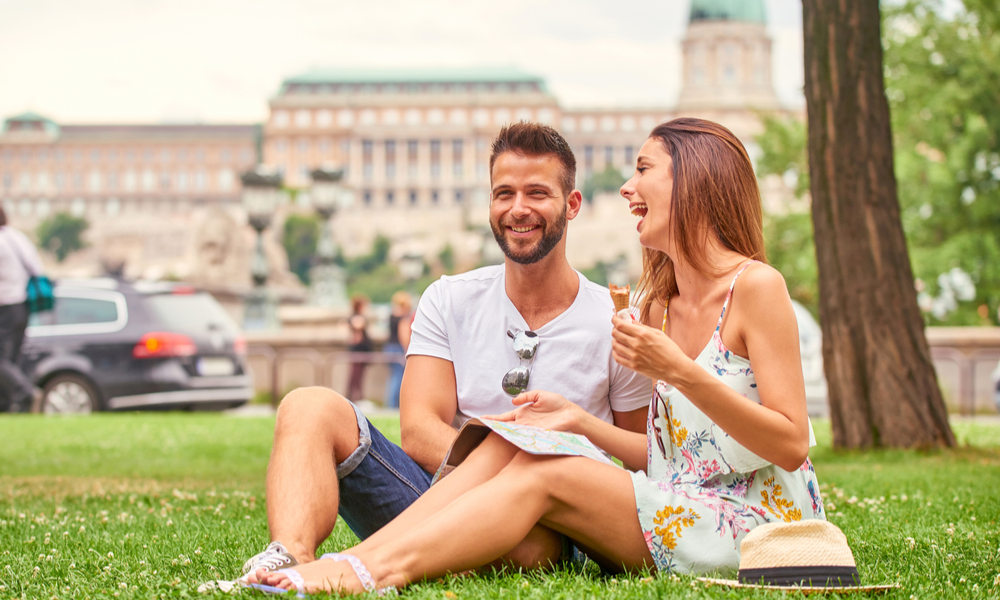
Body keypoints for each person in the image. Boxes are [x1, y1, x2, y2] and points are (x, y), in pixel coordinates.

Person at [249, 118, 825, 595]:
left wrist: (674, 372)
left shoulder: (756, 288)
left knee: (531, 458)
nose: (625, 188)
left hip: (750, 525)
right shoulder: (657, 307)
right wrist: (573, 425)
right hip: (663, 499)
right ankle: (338, 563)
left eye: (643, 170)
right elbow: (664, 457)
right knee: (513, 436)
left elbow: (791, 441)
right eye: (504, 193)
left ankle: (365, 568)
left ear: (695, 182)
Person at [222, 122, 650, 587]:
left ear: (571, 205)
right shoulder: (449, 298)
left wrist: (520, 475)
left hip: (538, 523)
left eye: (536, 193)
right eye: (503, 193)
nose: (518, 209)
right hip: (430, 495)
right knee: (308, 405)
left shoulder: (614, 319)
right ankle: (290, 558)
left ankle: (371, 565)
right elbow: (420, 432)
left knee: (527, 543)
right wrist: (482, 476)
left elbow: (638, 457)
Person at [0, 206, 44, 413]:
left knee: (2, 361)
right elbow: (38, 268)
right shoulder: (17, 237)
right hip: (24, 304)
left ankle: (26, 393)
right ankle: (11, 405)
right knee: (13, 359)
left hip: (6, 306)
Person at [383, 290, 412, 409]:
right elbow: (404, 336)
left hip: (389, 347)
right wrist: (407, 351)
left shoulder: (391, 315)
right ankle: (393, 405)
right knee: (398, 378)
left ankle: (390, 403)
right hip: (398, 349)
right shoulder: (403, 317)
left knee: (393, 377)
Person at [346, 294, 372, 402]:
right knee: (356, 376)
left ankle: (354, 397)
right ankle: (355, 397)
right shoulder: (357, 317)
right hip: (359, 350)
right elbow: (357, 331)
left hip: (360, 350)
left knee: (357, 376)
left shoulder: (354, 316)